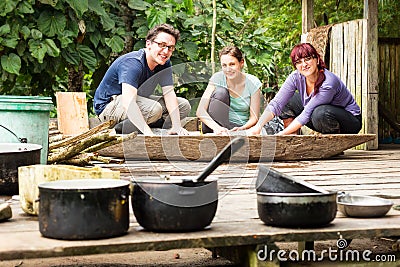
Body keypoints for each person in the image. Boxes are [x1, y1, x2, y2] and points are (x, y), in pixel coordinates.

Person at [93, 24, 190, 135]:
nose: (166, 51)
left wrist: (177, 126)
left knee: (183, 105)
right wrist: (148, 134)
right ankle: (120, 128)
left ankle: (138, 125)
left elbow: (169, 94)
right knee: (154, 109)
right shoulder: (133, 63)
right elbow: (128, 102)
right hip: (109, 107)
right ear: (148, 44)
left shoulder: (164, 62)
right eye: (162, 45)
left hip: (138, 103)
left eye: (170, 47)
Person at [247, 43, 362, 135]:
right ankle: (291, 140)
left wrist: (279, 135)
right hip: (317, 115)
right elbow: (276, 104)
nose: (304, 64)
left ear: (317, 59)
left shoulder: (329, 83)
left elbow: (306, 114)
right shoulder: (295, 77)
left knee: (320, 113)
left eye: (307, 59)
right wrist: (258, 127)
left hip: (349, 121)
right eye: (298, 62)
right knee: (288, 101)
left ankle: (336, 144)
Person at [196, 46, 262, 135]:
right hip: (214, 126)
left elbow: (254, 118)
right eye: (224, 65)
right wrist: (217, 128)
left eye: (232, 64)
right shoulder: (217, 78)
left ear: (241, 63)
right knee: (221, 92)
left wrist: (242, 128)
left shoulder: (253, 82)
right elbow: (200, 111)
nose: (228, 69)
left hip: (240, 127)